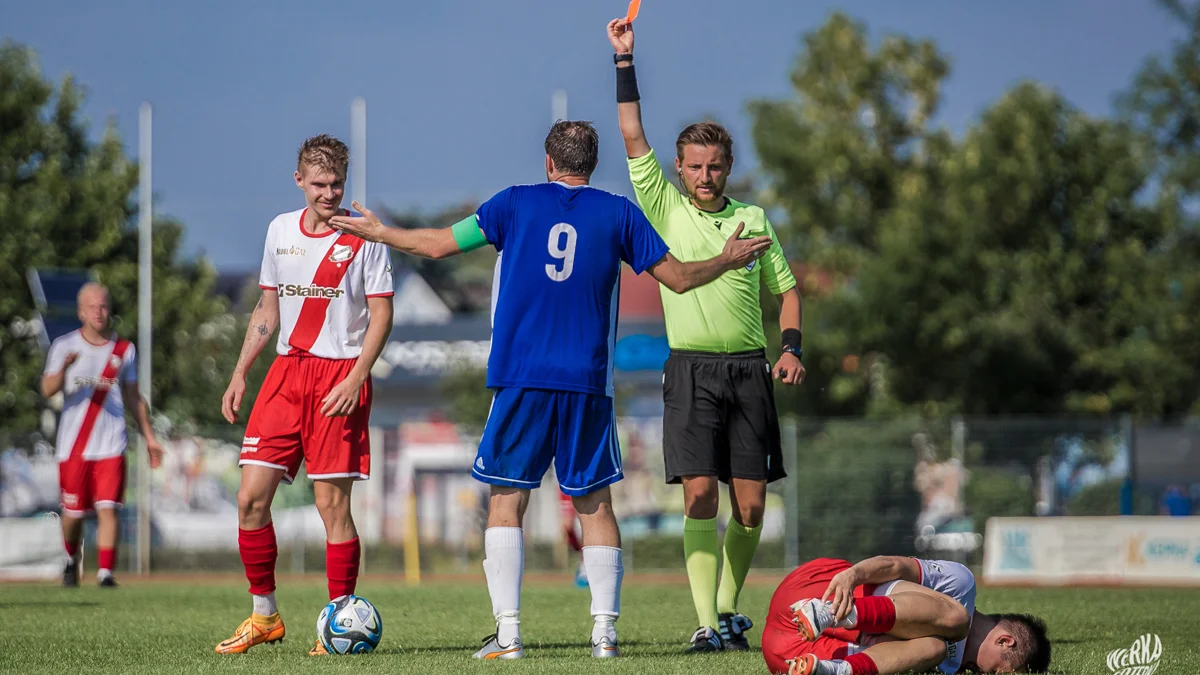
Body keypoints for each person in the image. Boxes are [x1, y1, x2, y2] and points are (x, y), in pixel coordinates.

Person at [330, 119, 771, 659]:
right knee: (594, 504)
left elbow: (442, 244)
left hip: (522, 377)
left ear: (548, 162)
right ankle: (604, 636)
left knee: (506, 501)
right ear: (592, 163)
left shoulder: (513, 203)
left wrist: (380, 233)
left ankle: (509, 635)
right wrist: (725, 259)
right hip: (587, 381)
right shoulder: (618, 212)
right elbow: (677, 278)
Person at [607, 17, 806, 652]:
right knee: (697, 497)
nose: (704, 175)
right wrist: (624, 61)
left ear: (727, 168)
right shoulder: (662, 206)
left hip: (749, 370)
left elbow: (789, 291)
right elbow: (631, 132)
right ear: (680, 167)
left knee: (749, 508)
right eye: (694, 165)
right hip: (689, 370)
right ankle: (704, 624)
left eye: (715, 166)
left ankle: (725, 611)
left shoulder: (753, 219)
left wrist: (792, 347)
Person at [214, 134, 394, 656]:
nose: (330, 193)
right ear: (300, 181)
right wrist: (240, 372)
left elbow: (381, 315)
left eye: (337, 182)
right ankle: (264, 617)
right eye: (319, 183)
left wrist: (358, 377)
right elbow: (267, 311)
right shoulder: (278, 230)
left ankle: (339, 623)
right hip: (286, 375)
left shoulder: (367, 238)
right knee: (249, 499)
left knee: (330, 506)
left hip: (339, 377)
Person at [40, 282, 164, 588]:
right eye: (92, 306)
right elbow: (47, 389)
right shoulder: (64, 345)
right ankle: (71, 560)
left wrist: (149, 436)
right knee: (73, 514)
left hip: (111, 443)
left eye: (104, 306)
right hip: (73, 446)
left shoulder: (124, 350)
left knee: (109, 508)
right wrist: (65, 369)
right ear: (81, 312)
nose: (99, 312)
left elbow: (135, 397)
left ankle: (106, 573)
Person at [764, 555, 1051, 674]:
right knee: (957, 619)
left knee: (936, 647)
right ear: (1006, 642)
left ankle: (841, 672)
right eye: (997, 671)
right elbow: (894, 566)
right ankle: (834, 613)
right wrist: (852, 575)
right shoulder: (962, 585)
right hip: (823, 591)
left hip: (792, 652)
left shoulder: (947, 665)